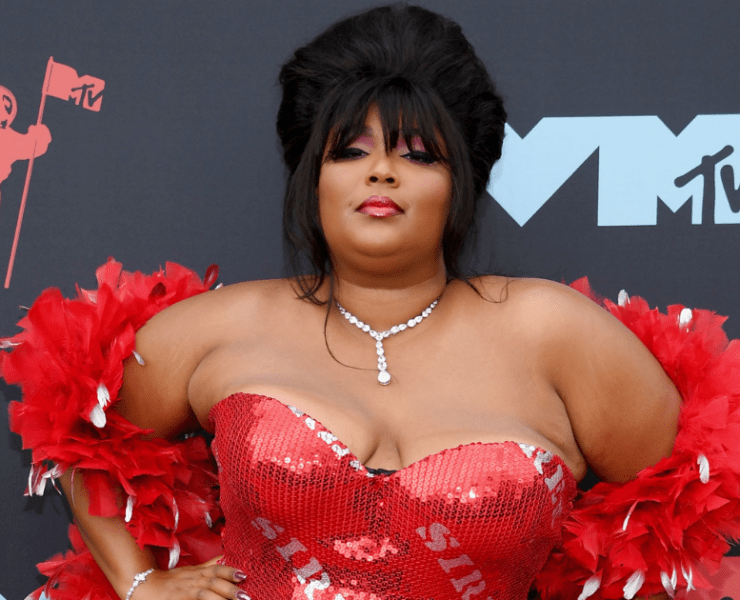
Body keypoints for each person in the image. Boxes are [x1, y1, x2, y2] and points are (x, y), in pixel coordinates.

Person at [3, 5, 740, 600]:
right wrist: (138, 582)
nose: (381, 171)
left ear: (461, 185)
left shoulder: (553, 331)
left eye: (417, 153)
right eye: (351, 150)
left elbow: (686, 505)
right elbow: (79, 425)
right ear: (312, 178)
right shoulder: (224, 329)